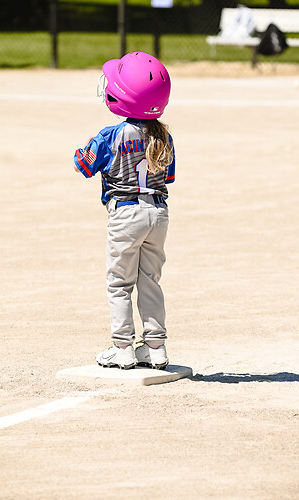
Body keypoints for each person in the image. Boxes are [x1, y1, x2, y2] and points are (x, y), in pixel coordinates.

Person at [73, 52, 175, 370]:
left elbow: (83, 164)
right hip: (158, 214)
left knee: (120, 283)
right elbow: (168, 175)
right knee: (150, 280)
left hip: (126, 213)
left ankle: (123, 347)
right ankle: (155, 347)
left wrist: (82, 150)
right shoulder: (164, 136)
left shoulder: (111, 135)